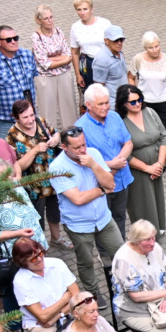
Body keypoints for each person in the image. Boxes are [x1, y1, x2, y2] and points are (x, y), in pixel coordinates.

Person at [47, 126, 122, 303]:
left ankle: (126, 286)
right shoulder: (57, 168)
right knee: (86, 262)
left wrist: (93, 165)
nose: (82, 150)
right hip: (78, 225)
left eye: (84, 144)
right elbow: (78, 199)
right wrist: (102, 190)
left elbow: (110, 183)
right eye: (77, 147)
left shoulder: (93, 154)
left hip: (104, 218)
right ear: (64, 147)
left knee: (121, 254)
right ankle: (93, 294)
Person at [129, 31, 166, 189]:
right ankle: (160, 162)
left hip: (165, 103)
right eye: (151, 47)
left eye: (157, 46)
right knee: (151, 134)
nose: (155, 50)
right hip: (145, 104)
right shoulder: (138, 60)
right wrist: (136, 95)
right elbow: (131, 77)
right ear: (145, 48)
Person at [6, 99, 66, 248]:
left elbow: (56, 133)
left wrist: (54, 139)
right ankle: (38, 245)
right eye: (25, 117)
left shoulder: (40, 121)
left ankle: (56, 238)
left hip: (51, 179)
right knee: (36, 216)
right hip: (33, 185)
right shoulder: (12, 135)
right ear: (16, 118)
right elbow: (17, 166)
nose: (30, 120)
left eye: (32, 115)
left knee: (54, 211)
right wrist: (35, 150)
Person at [114, 84, 166, 237]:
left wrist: (159, 164)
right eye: (133, 102)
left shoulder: (150, 112)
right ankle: (145, 235)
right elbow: (123, 152)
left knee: (156, 197)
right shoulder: (120, 122)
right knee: (142, 202)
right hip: (137, 170)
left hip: (156, 166)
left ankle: (158, 227)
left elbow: (164, 136)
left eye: (139, 100)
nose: (138, 104)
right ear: (123, 103)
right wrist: (147, 168)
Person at [78, 82, 134, 233]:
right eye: (100, 104)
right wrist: (113, 164)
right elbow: (83, 161)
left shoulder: (114, 116)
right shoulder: (81, 128)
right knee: (104, 223)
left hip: (122, 179)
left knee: (120, 217)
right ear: (88, 105)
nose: (105, 107)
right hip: (100, 184)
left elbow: (128, 143)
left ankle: (120, 244)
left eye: (107, 102)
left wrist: (118, 162)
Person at [10, 238, 79, 332]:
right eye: (33, 259)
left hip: (67, 315)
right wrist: (65, 299)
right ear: (22, 262)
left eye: (41, 254)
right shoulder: (21, 281)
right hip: (39, 327)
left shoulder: (57, 263)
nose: (39, 259)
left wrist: (57, 316)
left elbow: (76, 296)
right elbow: (42, 317)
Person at [0, 156, 45, 260]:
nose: (9, 178)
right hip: (15, 256)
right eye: (3, 176)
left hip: (36, 248)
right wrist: (17, 233)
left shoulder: (16, 185)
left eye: (9, 173)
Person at [0, 26, 38, 137]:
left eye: (16, 38)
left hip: (29, 119)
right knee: (6, 148)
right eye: (9, 40)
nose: (13, 42)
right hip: (5, 121)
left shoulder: (27, 55)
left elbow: (33, 77)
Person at [31, 4, 81, 127]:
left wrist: (52, 58)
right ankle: (49, 135)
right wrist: (61, 58)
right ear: (39, 20)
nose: (50, 21)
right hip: (46, 78)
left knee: (69, 109)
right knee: (47, 112)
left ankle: (72, 134)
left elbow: (68, 55)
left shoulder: (58, 31)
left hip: (64, 74)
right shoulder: (36, 37)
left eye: (51, 17)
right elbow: (45, 64)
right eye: (46, 18)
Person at [70, 0, 111, 84]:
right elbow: (74, 53)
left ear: (92, 9)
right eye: (79, 9)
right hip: (87, 64)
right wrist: (78, 74)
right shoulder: (75, 27)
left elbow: (115, 46)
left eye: (85, 9)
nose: (82, 12)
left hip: (104, 61)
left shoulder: (104, 24)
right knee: (90, 90)